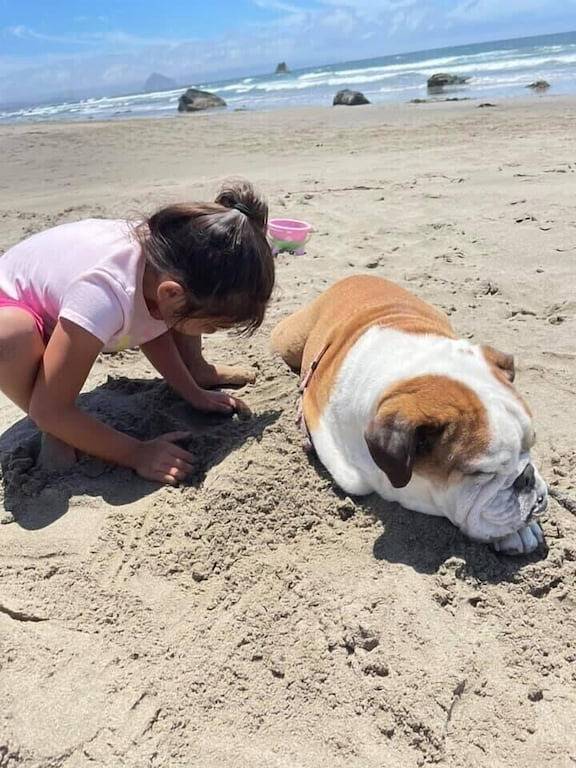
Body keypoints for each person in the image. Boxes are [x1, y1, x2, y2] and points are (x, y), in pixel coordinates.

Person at [0, 180, 274, 485]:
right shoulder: (104, 295)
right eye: (213, 325)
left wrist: (190, 391)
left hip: (68, 307)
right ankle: (56, 430)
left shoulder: (167, 262)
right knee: (10, 338)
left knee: (187, 309)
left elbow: (150, 326)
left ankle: (197, 371)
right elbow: (48, 409)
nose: (211, 332)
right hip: (14, 308)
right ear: (170, 293)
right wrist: (136, 453)